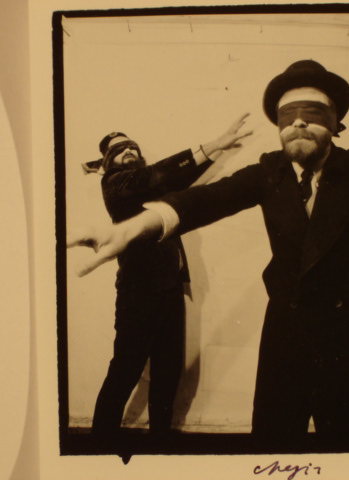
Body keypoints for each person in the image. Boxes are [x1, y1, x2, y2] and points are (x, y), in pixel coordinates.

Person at [68, 60, 349, 449]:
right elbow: (206, 200)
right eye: (286, 115)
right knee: (275, 444)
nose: (298, 122)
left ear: (335, 122)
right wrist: (137, 225)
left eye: (312, 112)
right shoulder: (268, 170)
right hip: (286, 333)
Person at [80, 115, 251, 452]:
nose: (128, 151)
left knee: (168, 372)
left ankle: (161, 443)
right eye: (118, 150)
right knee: (125, 370)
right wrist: (212, 146)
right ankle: (99, 444)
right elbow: (159, 174)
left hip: (170, 291)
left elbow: (175, 178)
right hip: (137, 294)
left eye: (132, 147)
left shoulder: (151, 188)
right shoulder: (115, 183)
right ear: (106, 163)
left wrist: (216, 150)